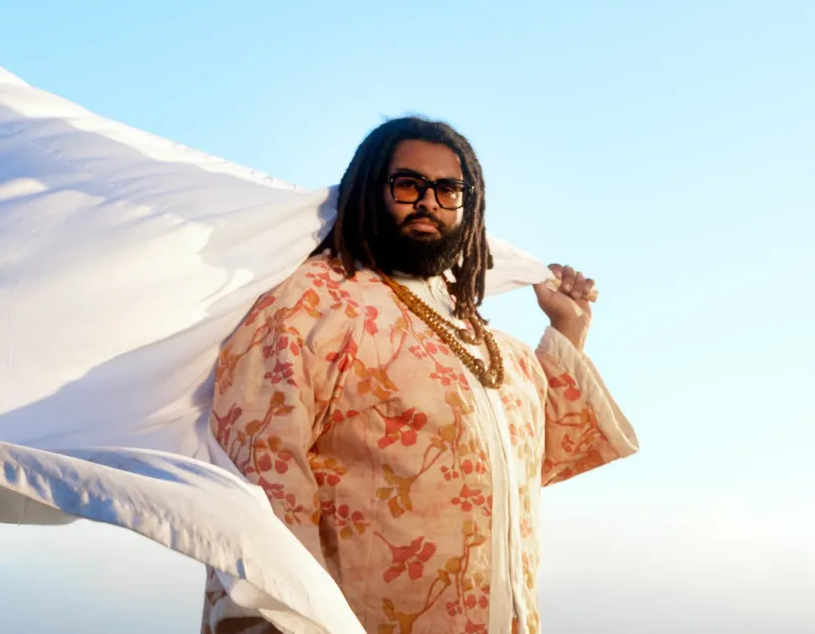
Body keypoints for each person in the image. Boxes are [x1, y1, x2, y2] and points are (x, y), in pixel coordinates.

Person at [200, 117, 639, 634]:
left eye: (449, 190)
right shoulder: (308, 306)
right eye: (408, 184)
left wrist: (569, 331)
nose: (428, 201)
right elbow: (261, 484)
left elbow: (527, 466)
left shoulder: (490, 344)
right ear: (369, 189)